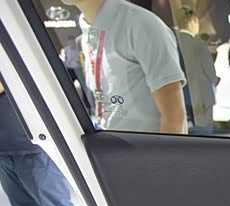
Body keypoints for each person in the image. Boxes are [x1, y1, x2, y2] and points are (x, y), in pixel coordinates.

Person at [62, 0, 186, 134]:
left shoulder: (141, 24)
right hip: (110, 144)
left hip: (146, 146)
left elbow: (174, 117)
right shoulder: (86, 36)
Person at [176, 6, 216, 135]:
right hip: (201, 104)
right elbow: (210, 73)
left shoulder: (173, 43)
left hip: (180, 102)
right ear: (192, 22)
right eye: (197, 22)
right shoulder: (198, 44)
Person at [63, 35, 90, 107]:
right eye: (70, 42)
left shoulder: (79, 49)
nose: (71, 44)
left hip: (78, 69)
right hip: (70, 69)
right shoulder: (66, 49)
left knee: (83, 86)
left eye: (72, 42)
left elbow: (83, 58)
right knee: (69, 86)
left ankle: (87, 103)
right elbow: (64, 58)